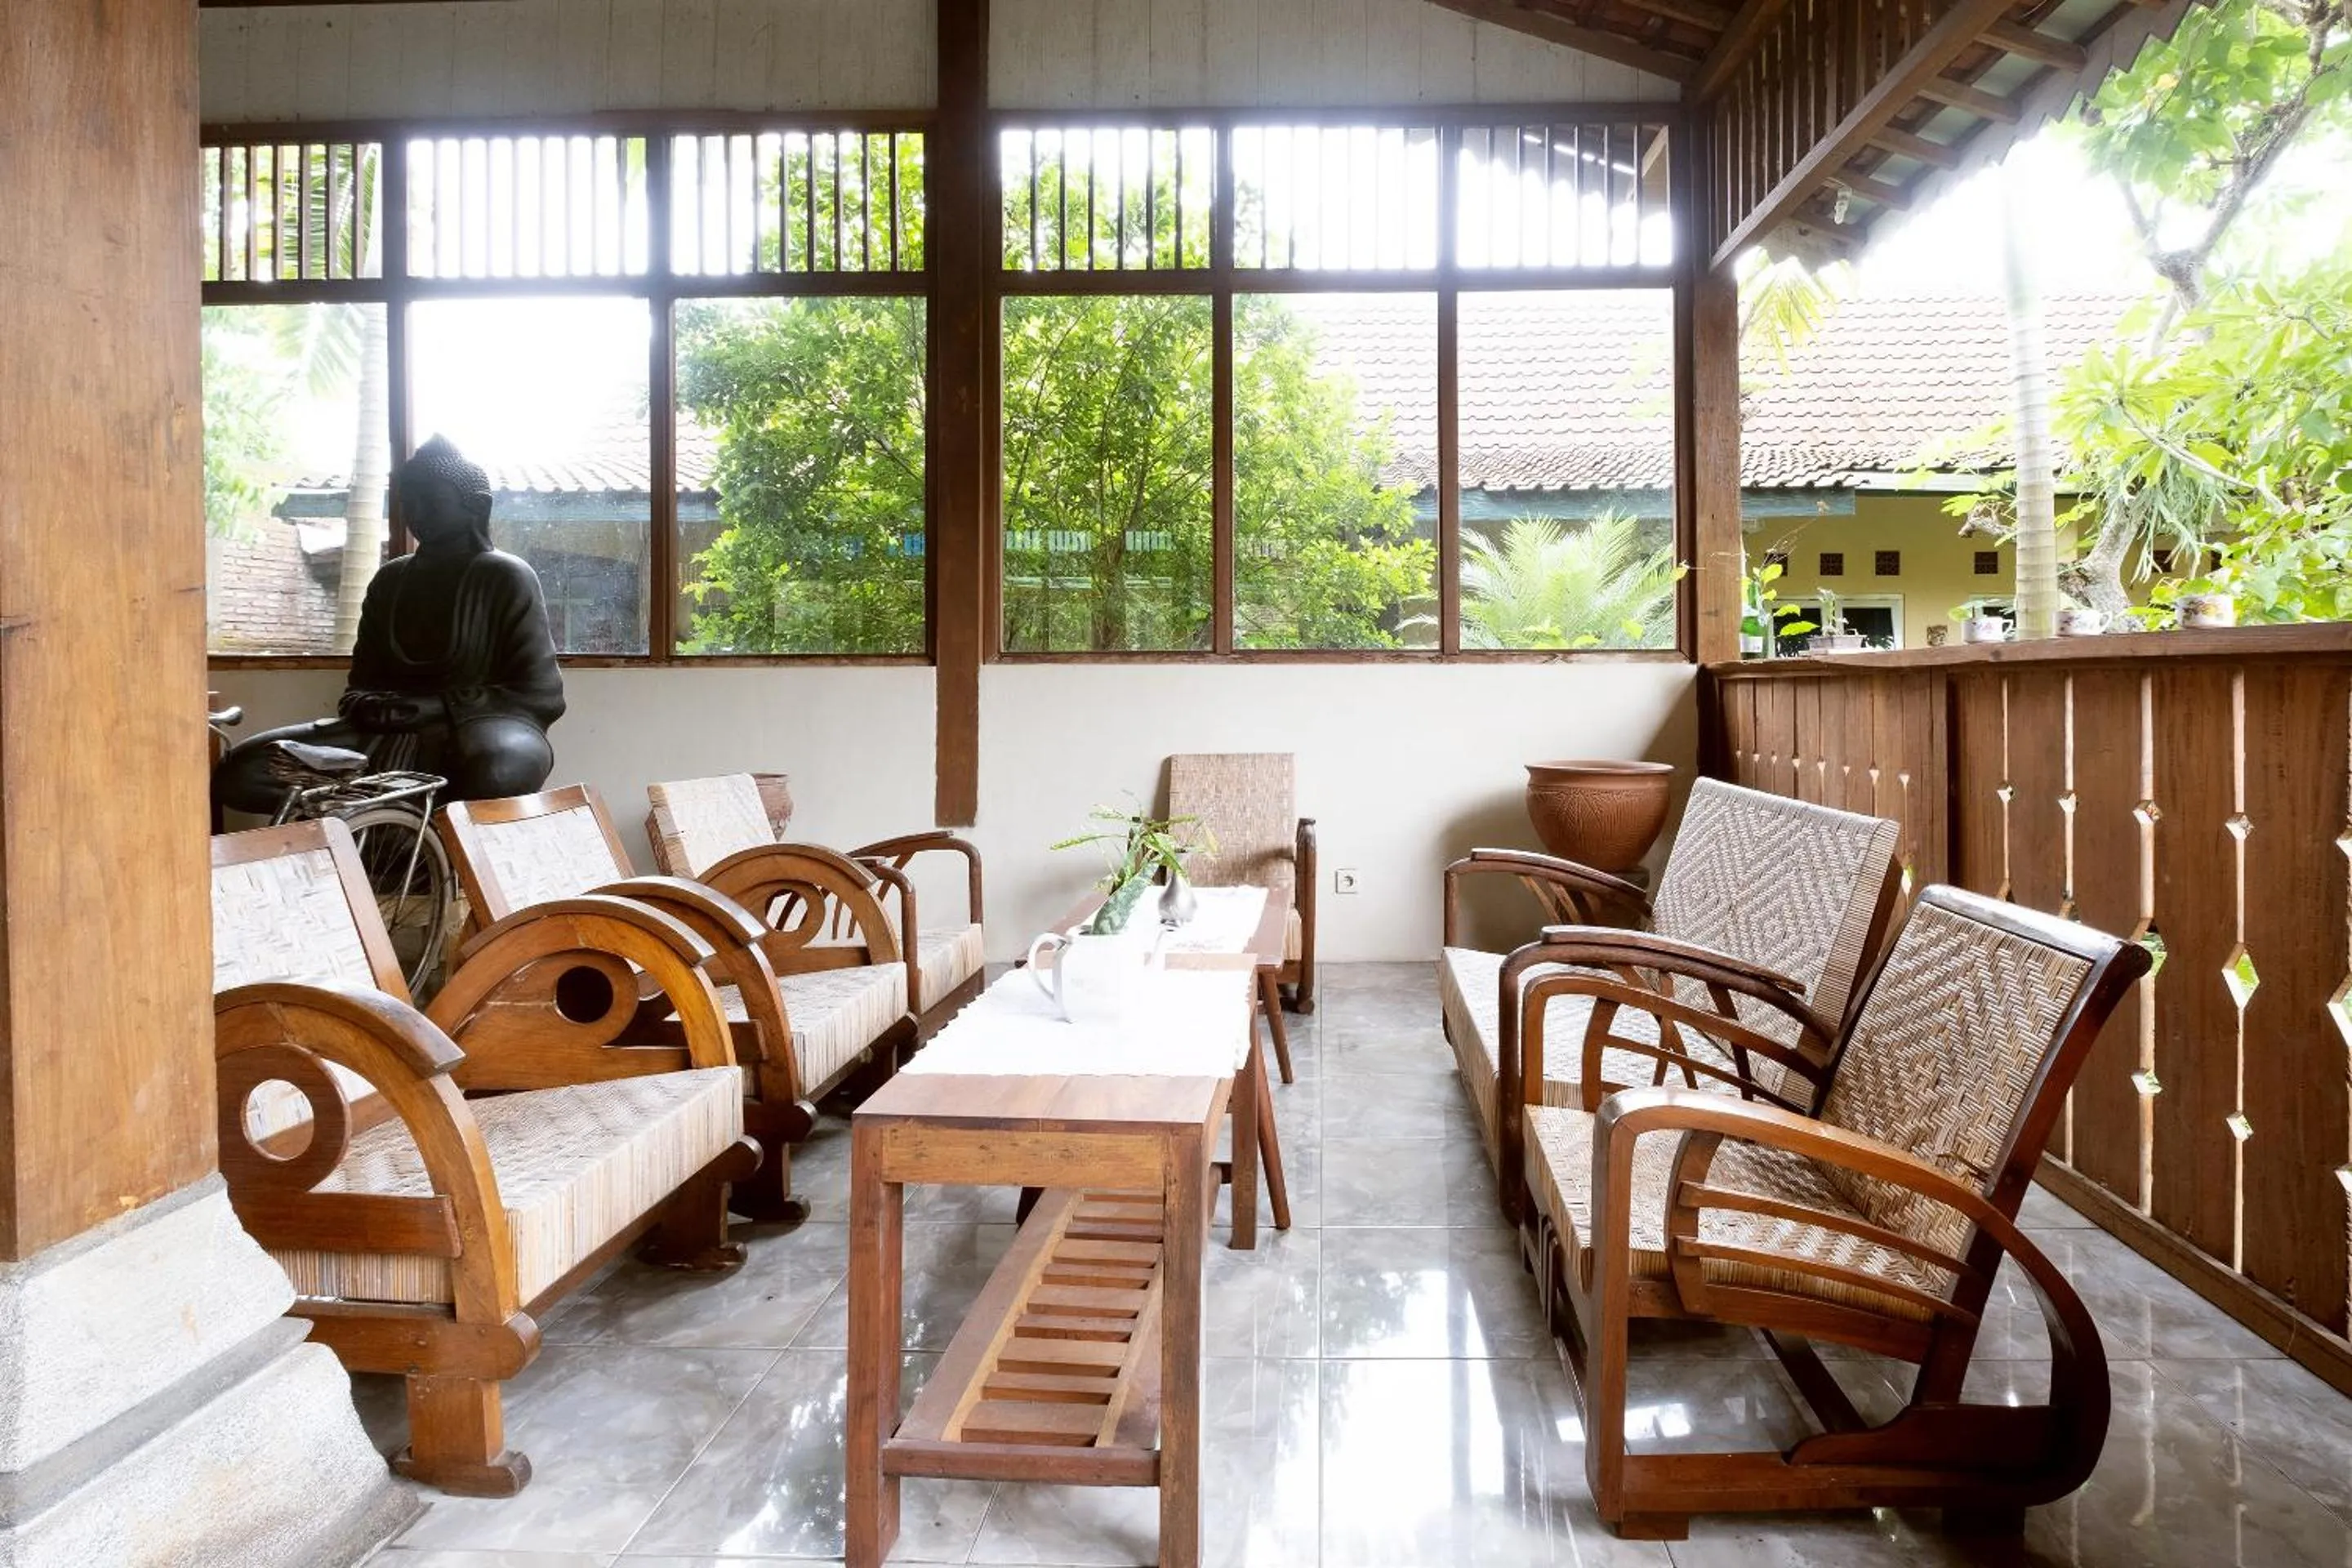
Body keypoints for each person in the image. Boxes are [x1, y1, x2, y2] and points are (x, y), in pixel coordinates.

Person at [212, 435, 566, 816]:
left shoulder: (505, 576)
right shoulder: (391, 580)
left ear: (477, 507)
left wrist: (437, 706)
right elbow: (359, 686)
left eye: (431, 502)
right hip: (383, 734)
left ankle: (436, 847)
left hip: (478, 729)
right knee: (241, 772)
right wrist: (371, 706)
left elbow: (541, 695)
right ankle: (375, 832)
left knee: (497, 767)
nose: (416, 513)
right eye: (407, 502)